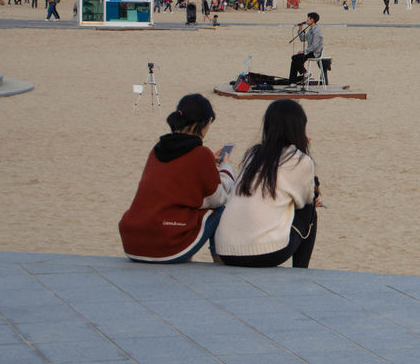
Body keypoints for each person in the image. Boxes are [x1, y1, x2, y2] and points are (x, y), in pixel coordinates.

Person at [119, 94, 235, 263]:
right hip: (167, 246)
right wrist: (226, 170)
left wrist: (209, 165)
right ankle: (219, 263)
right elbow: (217, 198)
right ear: (205, 122)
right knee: (219, 211)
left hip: (133, 242)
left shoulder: (157, 149)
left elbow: (176, 186)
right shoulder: (201, 154)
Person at [215, 99, 320, 268]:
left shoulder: (253, 154)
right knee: (310, 212)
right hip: (265, 252)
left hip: (227, 251)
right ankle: (302, 271)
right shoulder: (300, 159)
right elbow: (306, 200)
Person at [289, 12, 323, 82]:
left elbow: (315, 46)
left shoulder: (317, 31)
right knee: (295, 58)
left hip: (315, 53)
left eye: (308, 18)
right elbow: (303, 39)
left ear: (312, 20)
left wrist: (304, 51)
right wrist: (300, 30)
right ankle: (292, 81)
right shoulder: (311, 30)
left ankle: (305, 73)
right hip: (310, 51)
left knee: (295, 58)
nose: (306, 20)